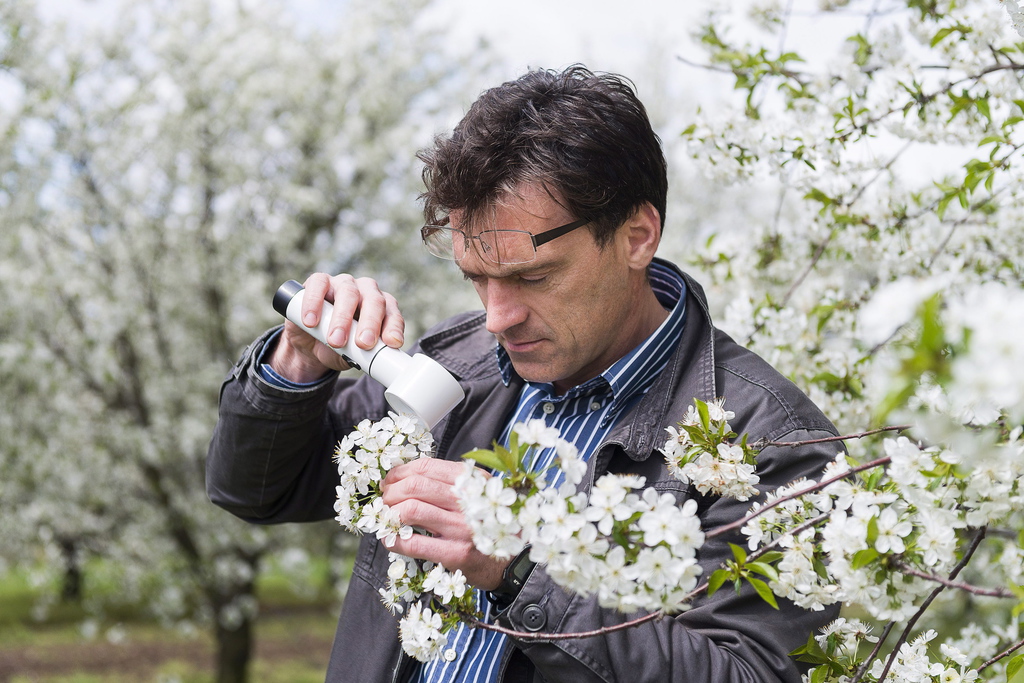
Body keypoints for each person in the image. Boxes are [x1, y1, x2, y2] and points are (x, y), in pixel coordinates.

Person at [207, 65, 841, 683]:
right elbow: (256, 489)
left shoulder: (767, 444)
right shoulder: (455, 365)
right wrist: (295, 366)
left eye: (532, 277)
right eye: (476, 277)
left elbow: (748, 671)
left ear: (637, 236)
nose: (496, 318)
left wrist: (522, 568)